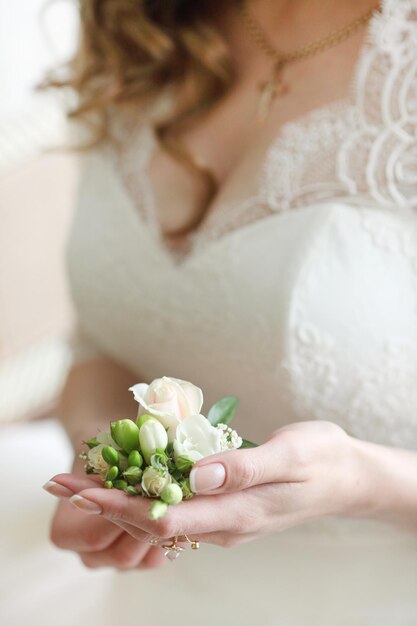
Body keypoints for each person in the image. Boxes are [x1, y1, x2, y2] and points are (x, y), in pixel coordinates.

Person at [43, 1, 417, 624]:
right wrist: (107, 457)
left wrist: (364, 481)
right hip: (152, 599)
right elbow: (101, 349)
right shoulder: (139, 22)